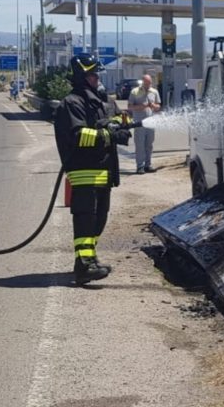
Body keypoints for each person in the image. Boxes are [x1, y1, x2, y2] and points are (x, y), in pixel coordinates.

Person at [54, 53, 131, 285]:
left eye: (97, 73)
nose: (97, 78)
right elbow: (78, 136)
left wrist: (122, 125)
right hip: (84, 170)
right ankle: (84, 266)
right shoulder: (72, 103)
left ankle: (91, 259)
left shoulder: (100, 100)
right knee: (86, 219)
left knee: (99, 220)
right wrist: (109, 134)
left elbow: (114, 120)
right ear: (82, 76)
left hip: (103, 170)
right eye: (92, 74)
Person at [127, 74, 161, 174]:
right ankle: (140, 166)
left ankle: (148, 165)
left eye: (149, 83)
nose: (148, 85)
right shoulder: (135, 92)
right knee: (140, 145)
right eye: (146, 83)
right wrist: (141, 107)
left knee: (149, 145)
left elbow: (158, 106)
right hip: (139, 122)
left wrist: (154, 106)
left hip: (151, 122)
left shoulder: (154, 92)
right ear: (143, 82)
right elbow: (129, 106)